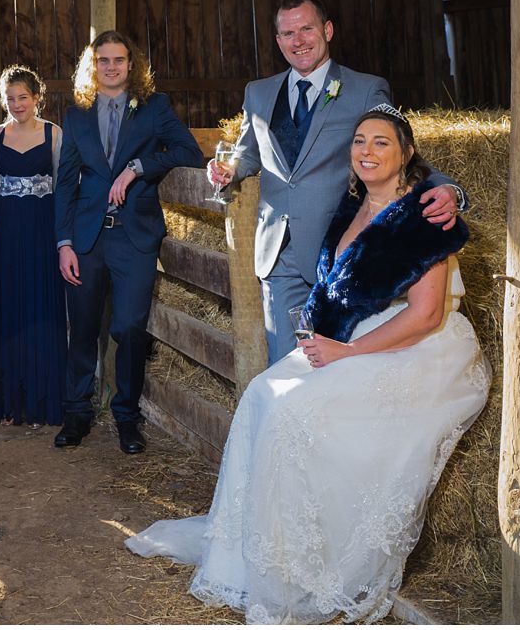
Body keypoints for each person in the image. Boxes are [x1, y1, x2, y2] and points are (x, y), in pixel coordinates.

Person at [126, 105, 490, 624]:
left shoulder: (425, 216)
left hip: (419, 347)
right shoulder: (353, 205)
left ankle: (308, 570)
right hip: (357, 333)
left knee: (295, 414)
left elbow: (426, 313)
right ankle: (253, 556)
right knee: (259, 395)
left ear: (407, 153)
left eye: (381, 142)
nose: (366, 151)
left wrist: (347, 352)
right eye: (359, 141)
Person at [209, 0, 468, 365]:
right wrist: (229, 170)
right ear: (278, 40)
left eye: (306, 29)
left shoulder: (364, 88)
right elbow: (249, 152)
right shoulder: (258, 93)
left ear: (327, 30)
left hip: (340, 247)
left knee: (337, 364)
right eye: (287, 33)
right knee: (286, 363)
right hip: (278, 251)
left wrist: (448, 188)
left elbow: (399, 147)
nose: (297, 41)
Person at [54, 31, 204, 454]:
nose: (112, 67)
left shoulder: (153, 108)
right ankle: (76, 414)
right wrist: (64, 242)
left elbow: (189, 152)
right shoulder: (77, 114)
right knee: (82, 330)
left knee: (129, 328)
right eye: (104, 60)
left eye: (120, 59)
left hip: (134, 237)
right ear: (92, 65)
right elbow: (66, 183)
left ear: (131, 64)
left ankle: (126, 417)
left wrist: (138, 167)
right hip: (85, 239)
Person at [0, 66, 66, 428]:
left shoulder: (54, 134)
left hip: (43, 227)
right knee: (10, 306)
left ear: (36, 97)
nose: (17, 104)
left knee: (41, 306)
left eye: (23, 97)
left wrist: (64, 236)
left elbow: (64, 184)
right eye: (10, 98)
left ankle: (44, 400)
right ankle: (11, 401)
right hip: (8, 230)